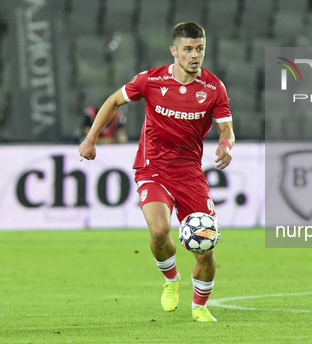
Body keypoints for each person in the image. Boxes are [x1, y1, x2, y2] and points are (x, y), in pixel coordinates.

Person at [79, 22, 235, 322]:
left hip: (189, 173)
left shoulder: (214, 87)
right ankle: (172, 278)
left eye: (199, 49)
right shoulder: (151, 80)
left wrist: (226, 145)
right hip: (153, 168)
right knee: (160, 231)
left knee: (205, 248)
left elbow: (226, 128)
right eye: (188, 49)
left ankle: (200, 307)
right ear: (174, 51)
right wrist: (90, 138)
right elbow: (113, 101)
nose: (194, 55)